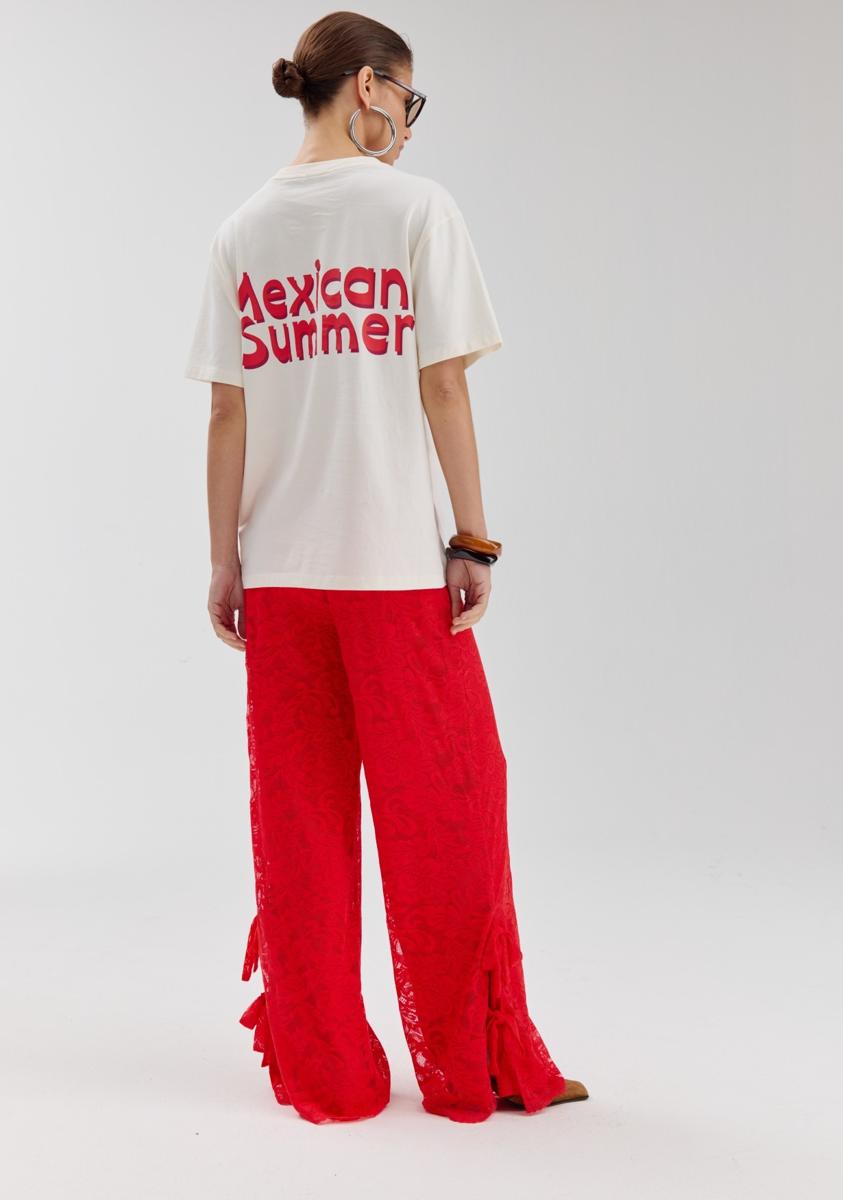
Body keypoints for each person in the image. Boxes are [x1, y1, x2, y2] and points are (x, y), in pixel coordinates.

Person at [184, 10, 589, 1125]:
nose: (408, 124)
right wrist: (474, 537)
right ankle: (474, 1063)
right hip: (393, 570)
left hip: (281, 575)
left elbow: (227, 413)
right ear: (367, 88)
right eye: (407, 100)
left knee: (303, 827)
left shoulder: (241, 230)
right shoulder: (415, 209)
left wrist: (224, 561)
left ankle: (328, 1073)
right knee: (452, 811)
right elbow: (442, 383)